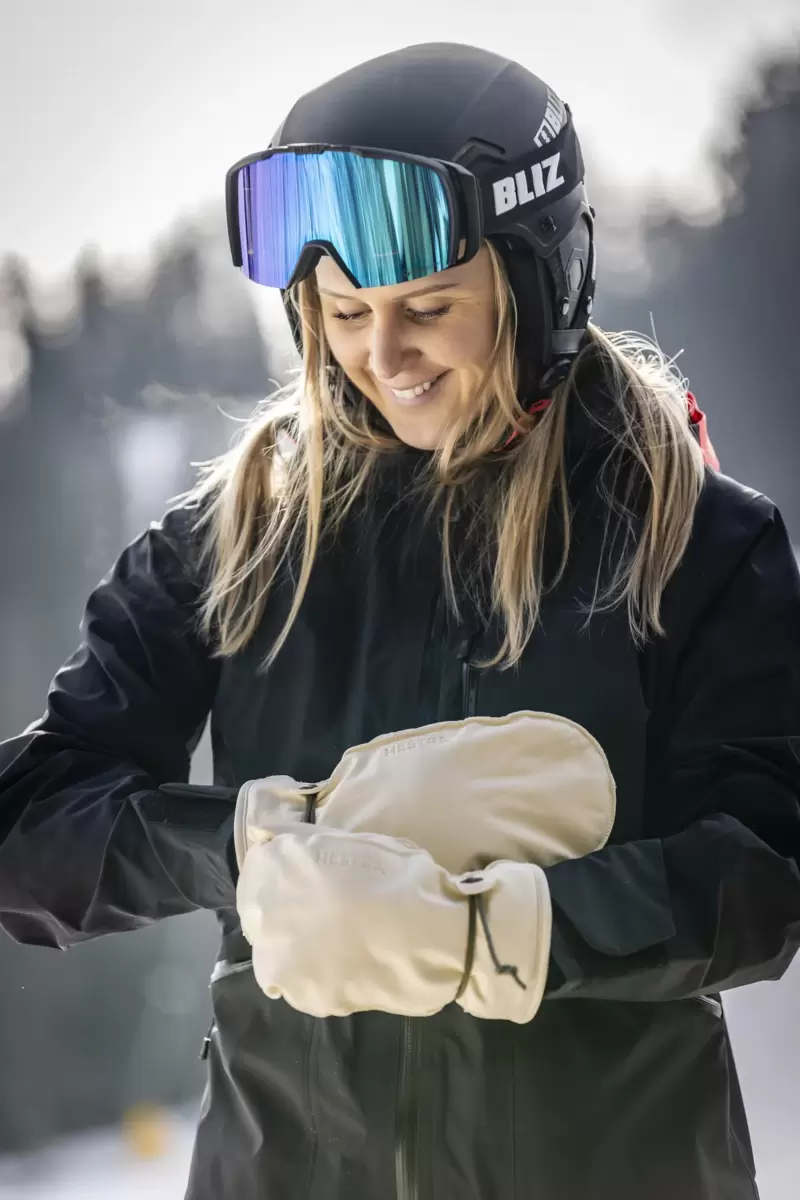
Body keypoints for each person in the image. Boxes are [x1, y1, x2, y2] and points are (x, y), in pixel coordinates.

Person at [1, 40, 799, 1200]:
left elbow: (767, 864)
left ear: (540, 284)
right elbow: (33, 823)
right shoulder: (237, 543)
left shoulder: (691, 538)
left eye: (427, 307)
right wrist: (255, 843)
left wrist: (506, 932)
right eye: (343, 311)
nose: (381, 355)